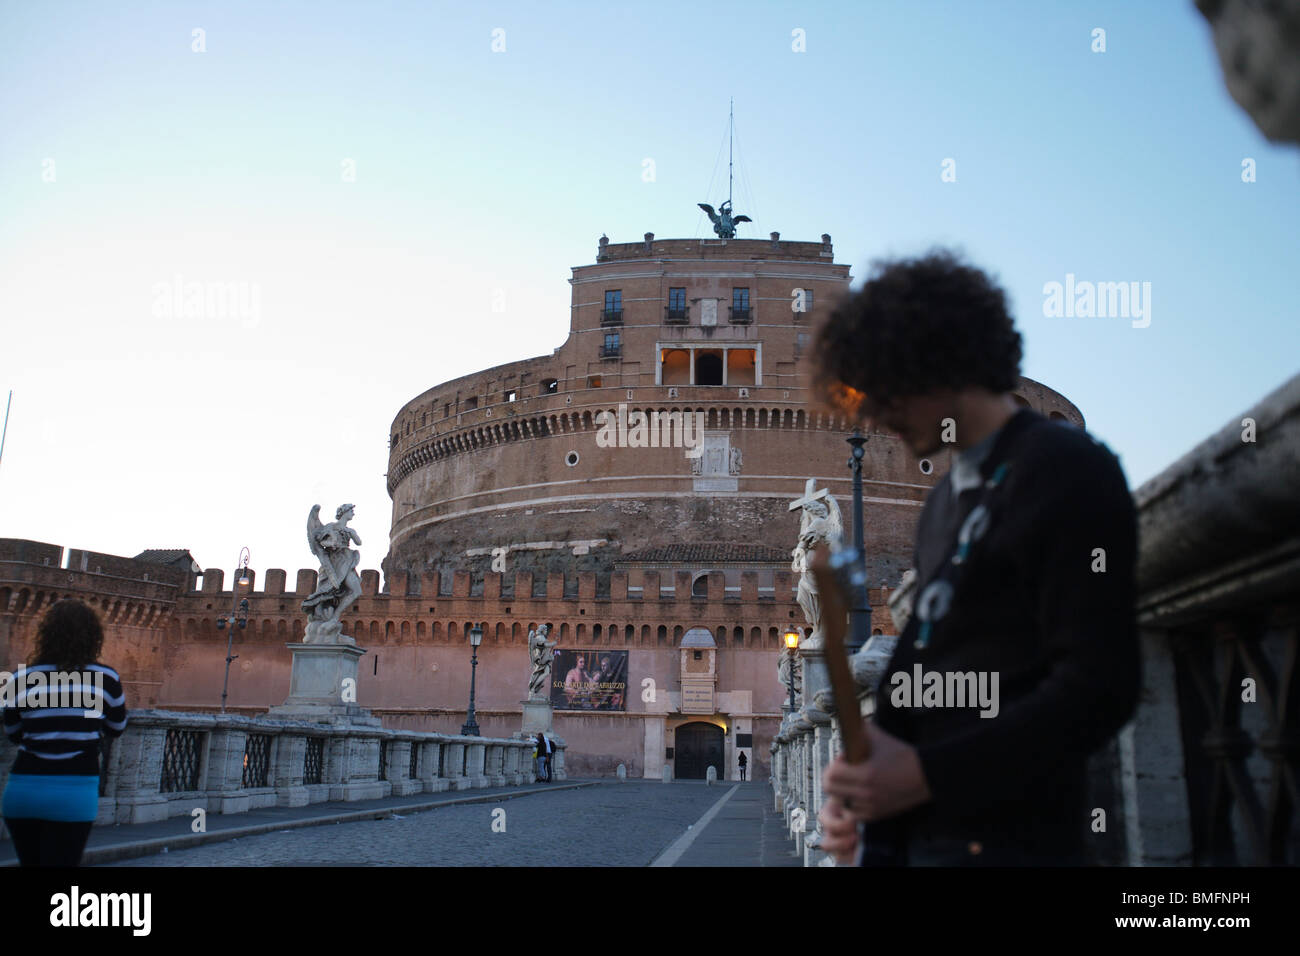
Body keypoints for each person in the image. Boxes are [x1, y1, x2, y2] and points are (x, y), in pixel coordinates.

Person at [809, 249, 1139, 866]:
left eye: (884, 387)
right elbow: (921, 664)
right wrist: (863, 779)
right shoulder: (946, 504)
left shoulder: (1070, 470)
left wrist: (926, 774)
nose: (874, 414)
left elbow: (1101, 684)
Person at [2, 599, 128, 866]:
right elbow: (117, 727)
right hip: (75, 792)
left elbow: (13, 731)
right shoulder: (105, 678)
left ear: (46, 634)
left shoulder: (21, 678)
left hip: (24, 790)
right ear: (93, 636)